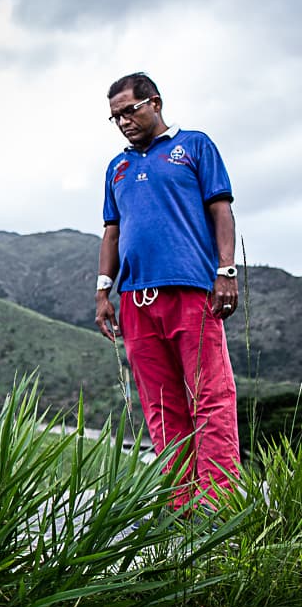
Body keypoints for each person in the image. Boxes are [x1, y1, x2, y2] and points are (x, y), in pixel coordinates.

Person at [93, 72, 240, 511]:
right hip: (136, 300)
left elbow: (221, 209)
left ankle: (219, 505)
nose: (123, 122)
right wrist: (104, 291)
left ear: (154, 102)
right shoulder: (116, 167)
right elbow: (112, 231)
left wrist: (226, 270)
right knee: (160, 406)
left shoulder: (194, 146)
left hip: (192, 292)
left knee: (210, 395)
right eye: (115, 116)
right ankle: (179, 508)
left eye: (129, 111)